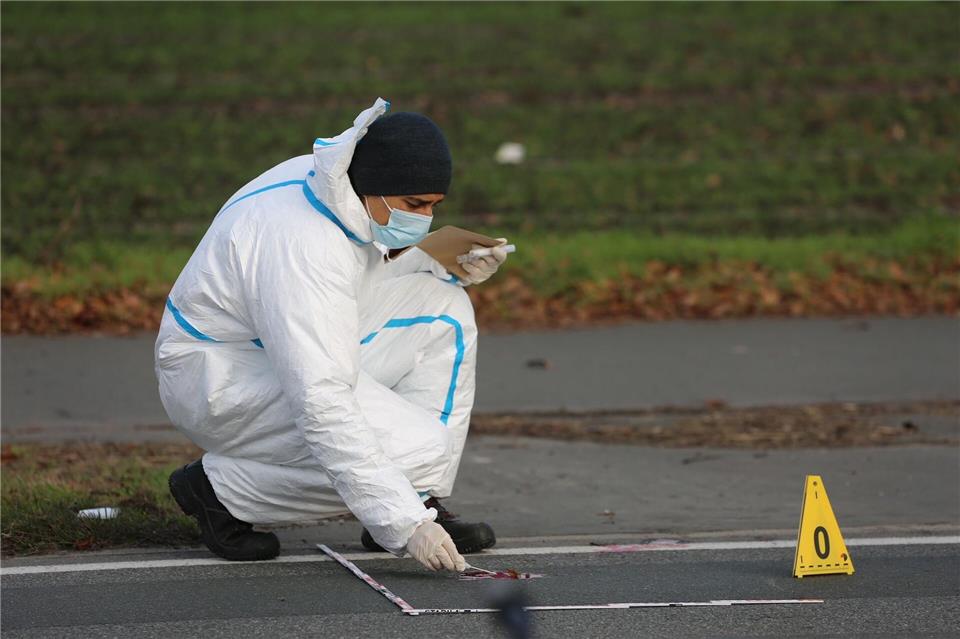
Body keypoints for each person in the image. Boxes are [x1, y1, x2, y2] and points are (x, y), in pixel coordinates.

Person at [157, 98, 509, 572]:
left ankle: (418, 496)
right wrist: (402, 524)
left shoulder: (333, 182)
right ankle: (220, 491)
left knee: (444, 307)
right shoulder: (304, 248)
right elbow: (321, 402)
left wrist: (440, 262)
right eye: (415, 206)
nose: (425, 218)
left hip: (264, 343)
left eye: (433, 207)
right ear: (375, 189)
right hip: (218, 379)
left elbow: (356, 273)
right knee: (423, 450)